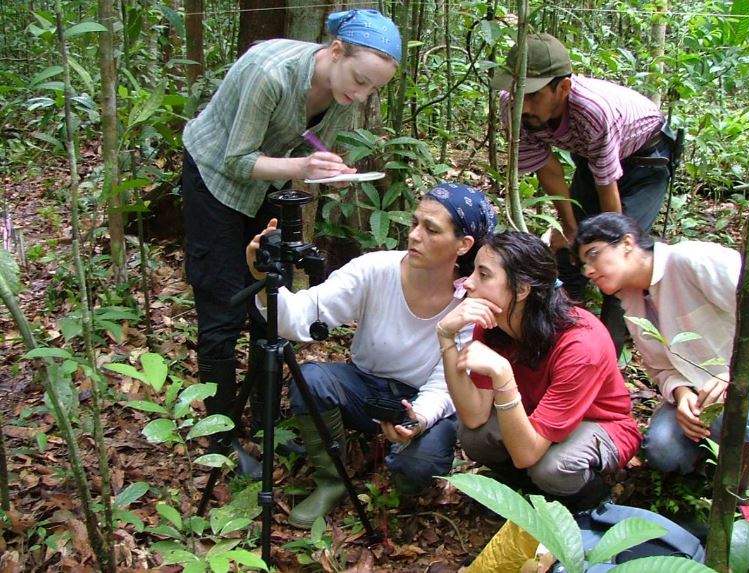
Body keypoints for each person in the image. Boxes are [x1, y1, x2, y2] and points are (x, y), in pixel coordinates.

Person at [180, 9, 401, 471]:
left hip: (268, 185)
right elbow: (237, 160)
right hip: (216, 181)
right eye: (359, 80)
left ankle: (266, 425)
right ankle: (220, 441)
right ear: (335, 51)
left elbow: (307, 145)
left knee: (271, 302)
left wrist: (328, 168)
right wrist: (303, 168)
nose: (359, 95)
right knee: (221, 309)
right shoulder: (271, 74)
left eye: (371, 90)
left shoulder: (342, 90)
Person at [246, 183, 497, 529]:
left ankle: (402, 481)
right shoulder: (376, 269)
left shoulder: (471, 302)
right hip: (365, 387)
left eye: (431, 229)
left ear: (464, 244)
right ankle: (331, 481)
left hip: (424, 404)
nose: (414, 236)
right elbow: (305, 315)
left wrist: (418, 419)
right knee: (312, 379)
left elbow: (446, 384)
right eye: (415, 223)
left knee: (416, 468)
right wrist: (265, 279)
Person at [573, 212, 749, 477]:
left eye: (593, 254)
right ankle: (704, 483)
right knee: (663, 447)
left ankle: (733, 485)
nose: (589, 270)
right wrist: (682, 394)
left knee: (721, 416)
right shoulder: (632, 301)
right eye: (583, 264)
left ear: (627, 243)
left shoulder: (690, 259)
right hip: (703, 400)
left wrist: (736, 373)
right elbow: (660, 368)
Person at [491, 33, 676, 358]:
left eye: (533, 95)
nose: (525, 104)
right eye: (519, 93)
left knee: (618, 257)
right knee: (568, 248)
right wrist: (570, 228)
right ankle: (564, 336)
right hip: (591, 159)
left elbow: (609, 198)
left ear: (562, 88)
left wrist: (607, 244)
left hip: (646, 158)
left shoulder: (591, 111)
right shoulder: (513, 106)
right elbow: (548, 170)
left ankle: (608, 351)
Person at [436, 231, 641, 510]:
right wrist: (446, 338)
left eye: (484, 275)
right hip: (537, 418)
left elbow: (526, 454)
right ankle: (530, 494)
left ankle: (593, 502)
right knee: (475, 437)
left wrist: (503, 375)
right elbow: (474, 417)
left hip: (599, 423)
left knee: (551, 468)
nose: (469, 283)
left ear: (521, 290)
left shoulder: (581, 343)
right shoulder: (493, 322)